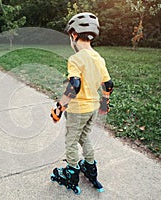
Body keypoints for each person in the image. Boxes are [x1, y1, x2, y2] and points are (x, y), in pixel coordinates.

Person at [50, 12, 113, 194]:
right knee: (83, 137)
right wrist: (104, 103)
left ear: (74, 35)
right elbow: (108, 84)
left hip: (77, 110)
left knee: (71, 140)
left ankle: (71, 171)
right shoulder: (98, 58)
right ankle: (91, 167)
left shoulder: (75, 59)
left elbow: (74, 86)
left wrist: (60, 107)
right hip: (92, 108)